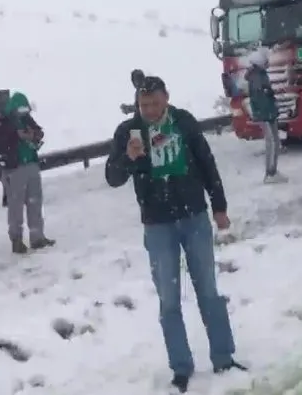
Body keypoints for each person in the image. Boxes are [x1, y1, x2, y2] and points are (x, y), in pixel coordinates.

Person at [104, 75, 245, 392]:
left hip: (194, 217)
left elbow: (207, 163)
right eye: (143, 105)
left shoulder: (183, 122)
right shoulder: (129, 132)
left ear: (166, 98)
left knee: (208, 290)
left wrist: (218, 205)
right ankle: (181, 367)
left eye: (155, 103)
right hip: (157, 225)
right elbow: (112, 178)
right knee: (168, 300)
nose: (150, 110)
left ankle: (223, 356)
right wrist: (127, 157)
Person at [0, 91, 55, 253]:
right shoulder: (6, 123)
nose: (23, 113)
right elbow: (3, 140)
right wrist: (18, 136)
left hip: (31, 164)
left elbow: (38, 131)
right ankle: (17, 239)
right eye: (20, 110)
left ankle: (37, 237)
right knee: (16, 206)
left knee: (35, 202)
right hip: (14, 168)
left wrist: (34, 135)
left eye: (25, 110)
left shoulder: (26, 118)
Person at [245, 49, 286, 183]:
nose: (268, 62)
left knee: (274, 140)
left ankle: (272, 170)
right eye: (266, 60)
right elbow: (260, 96)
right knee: (272, 141)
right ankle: (270, 172)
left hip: (267, 112)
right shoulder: (257, 76)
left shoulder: (258, 74)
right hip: (266, 113)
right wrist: (268, 112)